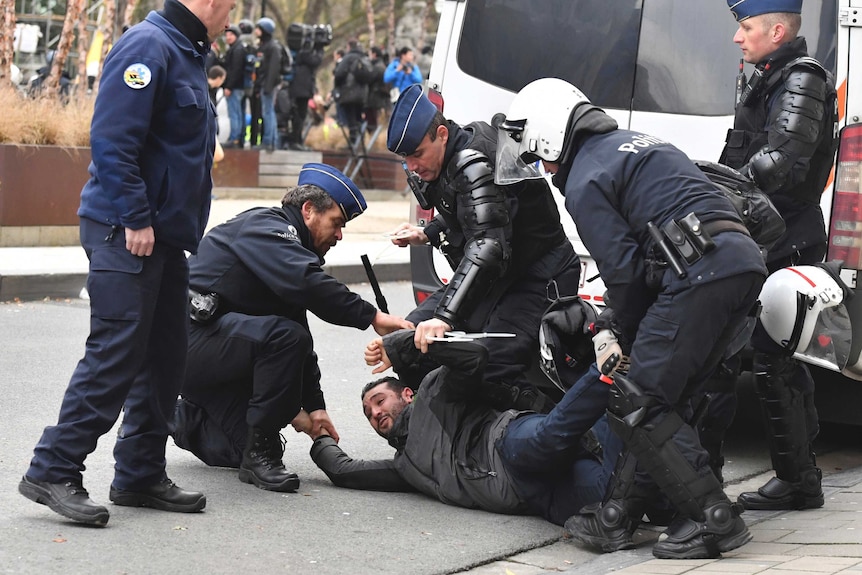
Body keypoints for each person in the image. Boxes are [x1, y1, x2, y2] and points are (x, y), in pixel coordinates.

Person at [496, 77, 768, 559]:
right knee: (664, 396)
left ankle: (713, 518)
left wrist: (615, 330)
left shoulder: (584, 179)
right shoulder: (633, 144)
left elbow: (623, 273)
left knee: (638, 400)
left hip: (696, 271)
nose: (543, 168)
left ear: (551, 136)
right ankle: (616, 517)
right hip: (738, 262)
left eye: (538, 156)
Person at [19, 0, 235, 526]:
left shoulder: (186, 52)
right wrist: (137, 217)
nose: (233, 12)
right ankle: (53, 467)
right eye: (231, 3)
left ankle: (139, 473)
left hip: (163, 237)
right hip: (127, 230)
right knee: (116, 349)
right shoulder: (147, 46)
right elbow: (113, 142)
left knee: (166, 356)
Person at [171, 163, 413, 493]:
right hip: (186, 342)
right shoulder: (267, 227)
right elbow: (306, 286)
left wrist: (316, 409)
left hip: (213, 357)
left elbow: (303, 344)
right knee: (283, 340)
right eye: (337, 223)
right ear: (309, 210)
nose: (340, 236)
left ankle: (174, 414)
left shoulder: (292, 253)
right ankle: (260, 457)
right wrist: (373, 317)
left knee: (236, 447)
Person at [701, 0, 839, 511]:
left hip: (784, 236)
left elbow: (780, 164)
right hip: (756, 231)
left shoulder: (800, 79)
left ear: (777, 30)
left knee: (749, 355)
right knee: (767, 358)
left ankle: (705, 493)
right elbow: (737, 153)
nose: (738, 38)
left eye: (746, 27)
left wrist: (715, 193)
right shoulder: (765, 74)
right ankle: (797, 480)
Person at [298, 317, 615, 526]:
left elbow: (475, 356)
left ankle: (607, 373)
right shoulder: (404, 467)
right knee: (608, 496)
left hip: (505, 444)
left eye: (379, 401)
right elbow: (344, 471)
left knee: (548, 437)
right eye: (369, 414)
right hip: (531, 494)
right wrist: (319, 438)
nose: (375, 413)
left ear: (408, 394)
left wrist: (404, 344)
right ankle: (626, 406)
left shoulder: (434, 392)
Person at [384, 84, 582, 413]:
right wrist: (428, 233)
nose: (412, 165)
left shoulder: (475, 161)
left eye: (417, 153)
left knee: (491, 367)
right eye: (406, 158)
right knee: (408, 345)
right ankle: (438, 439)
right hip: (499, 277)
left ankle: (551, 430)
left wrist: (446, 318)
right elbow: (470, 216)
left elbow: (488, 245)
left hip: (537, 275)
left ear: (442, 134)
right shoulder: (449, 159)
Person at [284, 30, 324, 151]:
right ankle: (295, 140)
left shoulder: (300, 55)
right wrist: (320, 49)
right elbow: (316, 61)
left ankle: (297, 140)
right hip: (301, 90)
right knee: (298, 115)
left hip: (301, 90)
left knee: (300, 115)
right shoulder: (304, 54)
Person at [333, 38, 370, 148]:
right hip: (362, 93)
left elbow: (339, 74)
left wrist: (337, 87)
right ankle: (361, 141)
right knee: (358, 117)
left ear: (349, 46)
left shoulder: (348, 58)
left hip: (349, 92)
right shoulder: (364, 57)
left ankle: (353, 142)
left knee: (351, 117)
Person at [253, 17, 283, 151]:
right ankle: (273, 140)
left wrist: (268, 86)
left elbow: (273, 69)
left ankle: (268, 141)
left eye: (259, 28)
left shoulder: (273, 47)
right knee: (268, 112)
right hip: (264, 84)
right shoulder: (264, 46)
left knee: (268, 112)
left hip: (268, 85)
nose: (256, 31)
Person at [221, 25, 246, 148]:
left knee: (234, 113)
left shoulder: (237, 50)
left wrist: (229, 86)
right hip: (237, 86)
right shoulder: (235, 49)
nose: (228, 37)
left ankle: (235, 138)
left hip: (235, 87)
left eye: (231, 35)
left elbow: (236, 70)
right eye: (227, 35)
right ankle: (238, 138)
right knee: (238, 112)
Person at [363, 46, 391, 135]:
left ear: (374, 54)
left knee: (373, 121)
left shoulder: (377, 67)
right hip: (379, 98)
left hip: (375, 98)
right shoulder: (382, 66)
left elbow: (369, 79)